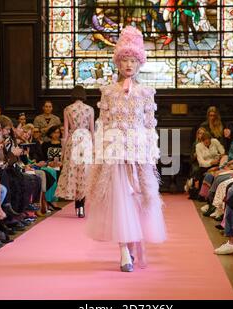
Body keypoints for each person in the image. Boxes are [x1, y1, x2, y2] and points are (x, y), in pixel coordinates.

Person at [85, 26, 166, 273]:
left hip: (138, 153)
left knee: (139, 201)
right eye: (124, 60)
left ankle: (131, 247)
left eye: (133, 60)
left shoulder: (145, 92)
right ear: (118, 63)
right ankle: (123, 252)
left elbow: (150, 125)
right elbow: (103, 123)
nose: (129, 65)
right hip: (115, 153)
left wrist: (151, 154)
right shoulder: (108, 92)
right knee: (119, 202)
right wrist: (101, 152)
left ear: (139, 63)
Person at [56, 86, 94, 218]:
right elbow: (92, 130)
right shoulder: (90, 109)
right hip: (86, 141)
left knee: (74, 172)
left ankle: (78, 206)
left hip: (73, 140)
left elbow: (65, 133)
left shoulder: (68, 109)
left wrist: (63, 150)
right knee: (84, 172)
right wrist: (95, 148)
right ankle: (81, 206)